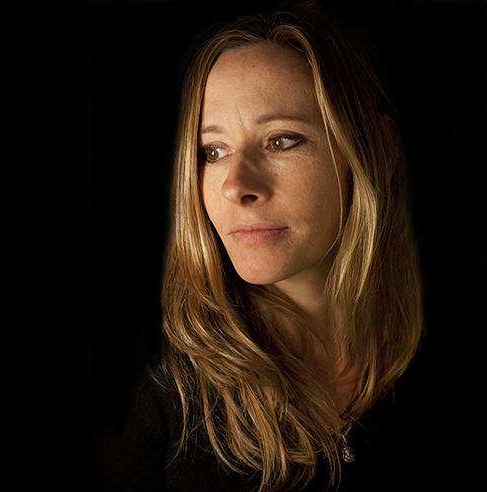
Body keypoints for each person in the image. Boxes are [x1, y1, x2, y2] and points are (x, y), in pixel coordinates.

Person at [100, 2, 423, 491]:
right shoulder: (154, 388)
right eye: (212, 151)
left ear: (379, 150)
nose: (235, 185)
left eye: (281, 141)